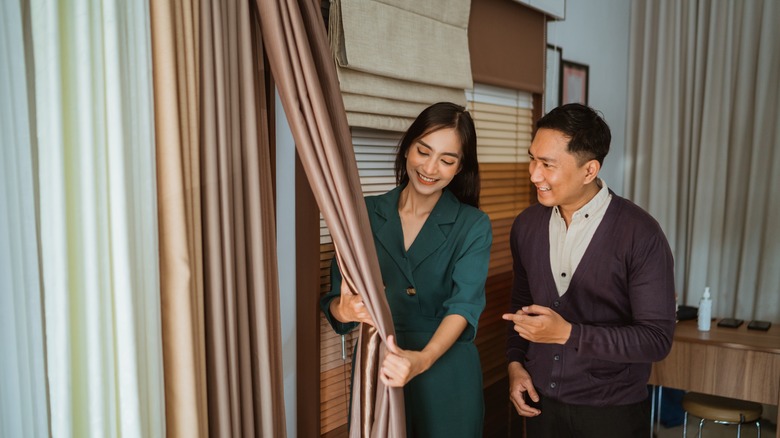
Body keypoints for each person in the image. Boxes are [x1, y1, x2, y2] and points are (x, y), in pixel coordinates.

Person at [502, 103, 676, 437]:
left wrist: (569, 334)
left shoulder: (641, 234)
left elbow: (656, 340)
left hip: (612, 413)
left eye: (547, 164)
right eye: (532, 158)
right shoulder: (526, 225)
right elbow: (520, 305)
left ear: (589, 170)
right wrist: (514, 365)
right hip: (540, 405)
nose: (534, 174)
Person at [320, 102, 492, 437]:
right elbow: (337, 303)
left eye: (447, 159)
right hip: (380, 364)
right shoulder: (364, 213)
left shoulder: (473, 224)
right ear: (407, 148)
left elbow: (464, 306)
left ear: (460, 168)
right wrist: (346, 308)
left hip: (445, 371)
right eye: (423, 151)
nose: (430, 167)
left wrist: (421, 361)